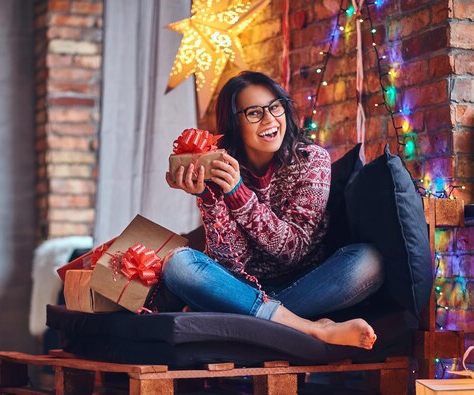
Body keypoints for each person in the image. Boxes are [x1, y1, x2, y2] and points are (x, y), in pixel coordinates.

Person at [164, 71, 384, 350]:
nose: (269, 120)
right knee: (178, 264)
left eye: (275, 106)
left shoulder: (311, 160)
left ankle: (248, 316)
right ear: (235, 123)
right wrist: (209, 197)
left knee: (369, 261)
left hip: (304, 284)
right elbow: (231, 262)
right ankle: (311, 328)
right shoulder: (221, 165)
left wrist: (238, 194)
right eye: (254, 112)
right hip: (243, 285)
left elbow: (293, 250)